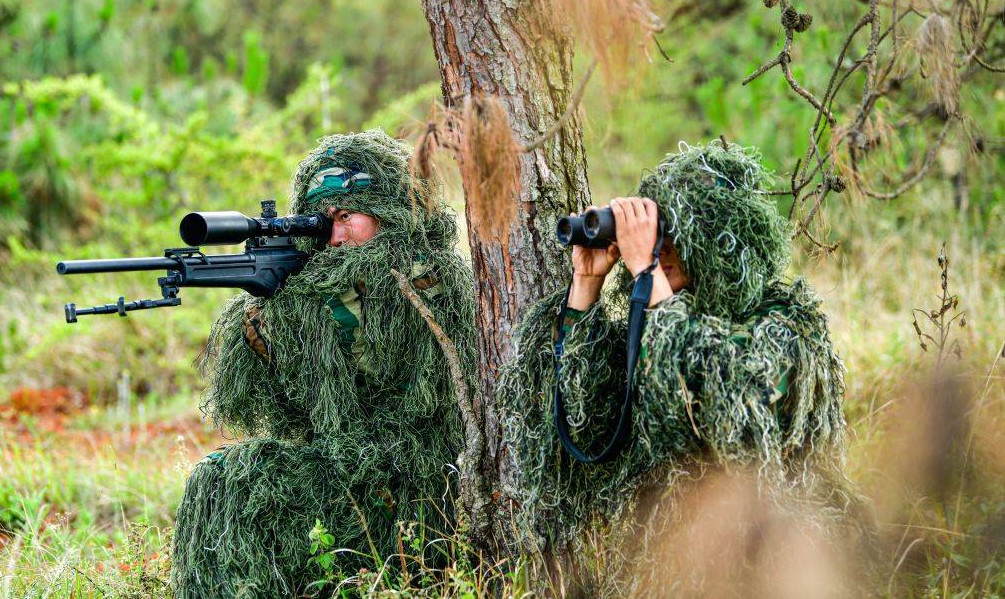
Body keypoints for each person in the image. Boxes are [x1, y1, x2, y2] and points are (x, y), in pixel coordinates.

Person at [499, 141, 856, 590]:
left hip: (764, 560)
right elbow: (587, 425)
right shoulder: (653, 319)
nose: (663, 248)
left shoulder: (786, 326)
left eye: (675, 233)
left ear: (721, 241)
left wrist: (650, 276)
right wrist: (586, 284)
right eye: (656, 234)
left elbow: (724, 408)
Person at [172, 130, 476, 597]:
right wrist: (267, 339)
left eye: (347, 217)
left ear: (389, 210)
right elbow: (289, 417)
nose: (334, 237)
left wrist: (320, 311)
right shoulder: (317, 292)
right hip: (343, 472)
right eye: (322, 222)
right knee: (214, 481)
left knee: (238, 489)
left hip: (415, 492)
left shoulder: (430, 279)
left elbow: (414, 404)